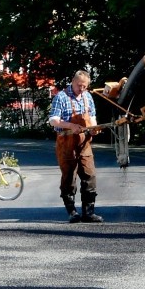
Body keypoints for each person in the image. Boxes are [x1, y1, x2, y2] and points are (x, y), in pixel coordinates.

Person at [49, 70, 103, 223]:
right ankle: (72, 211)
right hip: (66, 143)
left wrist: (94, 128)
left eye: (84, 86)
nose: (81, 89)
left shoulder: (87, 97)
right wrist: (70, 125)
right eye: (79, 85)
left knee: (89, 175)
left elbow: (92, 118)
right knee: (69, 177)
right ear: (73, 81)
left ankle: (88, 212)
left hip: (84, 142)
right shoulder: (61, 97)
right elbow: (53, 120)